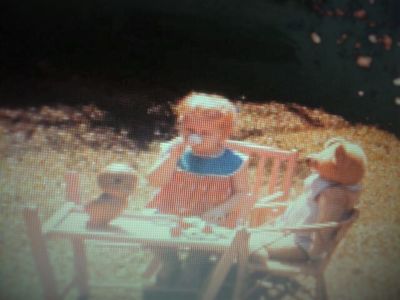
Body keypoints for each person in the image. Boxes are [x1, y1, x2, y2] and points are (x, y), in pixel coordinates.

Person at [145, 92, 249, 287]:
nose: (195, 137)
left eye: (204, 133)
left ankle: (193, 270)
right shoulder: (173, 151)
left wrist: (221, 210)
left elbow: (243, 194)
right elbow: (154, 181)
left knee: (197, 259)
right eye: (190, 129)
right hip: (170, 211)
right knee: (149, 231)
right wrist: (172, 157)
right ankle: (170, 262)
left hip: (208, 218)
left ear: (223, 135)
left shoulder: (233, 161)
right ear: (181, 127)